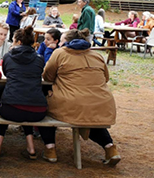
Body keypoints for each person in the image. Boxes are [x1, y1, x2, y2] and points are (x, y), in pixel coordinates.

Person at [39, 28, 121, 166]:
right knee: (90, 115)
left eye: (62, 41)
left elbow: (47, 77)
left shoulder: (60, 53)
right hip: (101, 104)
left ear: (68, 43)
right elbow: (105, 78)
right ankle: (110, 148)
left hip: (71, 104)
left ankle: (50, 149)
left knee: (43, 108)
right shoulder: (96, 55)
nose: (59, 44)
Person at [0, 26, 47, 159]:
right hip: (37, 110)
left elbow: (5, 74)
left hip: (11, 108)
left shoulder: (8, 57)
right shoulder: (39, 59)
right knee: (25, 102)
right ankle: (31, 147)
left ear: (18, 42)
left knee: (13, 103)